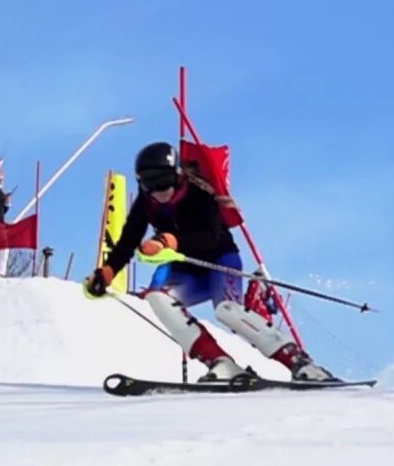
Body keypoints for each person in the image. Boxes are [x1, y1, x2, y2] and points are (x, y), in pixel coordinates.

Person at [84, 141, 334, 383]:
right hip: (188, 270)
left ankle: (301, 364)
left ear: (178, 174)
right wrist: (107, 273)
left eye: (164, 180)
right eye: (150, 183)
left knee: (227, 310)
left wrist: (168, 241)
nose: (159, 190)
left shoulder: (198, 194)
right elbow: (129, 239)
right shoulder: (147, 201)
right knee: (157, 297)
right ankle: (221, 363)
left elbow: (210, 237)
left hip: (219, 260)